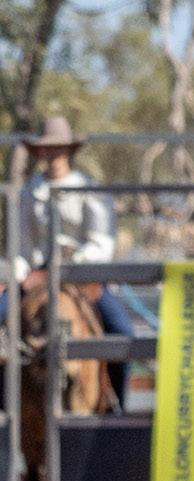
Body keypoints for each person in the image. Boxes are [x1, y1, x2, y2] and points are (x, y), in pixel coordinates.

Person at [1, 115, 133, 405]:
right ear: (39, 152)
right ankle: (6, 405)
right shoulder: (29, 192)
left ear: (70, 150)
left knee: (122, 332)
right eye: (47, 148)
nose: (53, 154)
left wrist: (69, 269)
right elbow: (21, 244)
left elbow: (101, 243)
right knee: (2, 317)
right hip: (36, 274)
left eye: (58, 147)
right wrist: (23, 274)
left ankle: (117, 404)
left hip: (81, 274)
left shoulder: (90, 189)